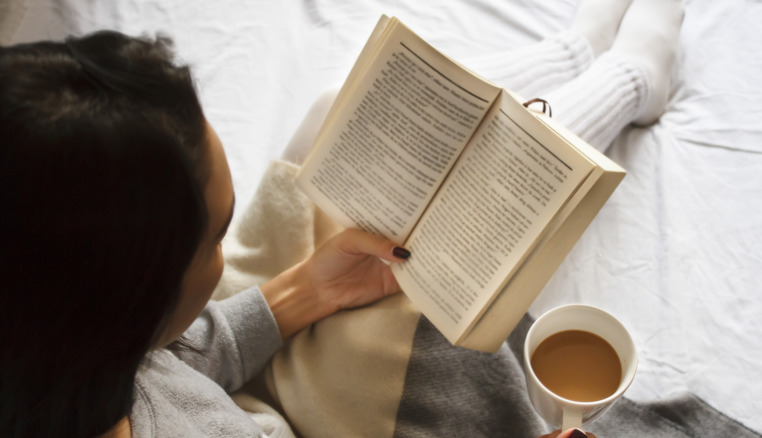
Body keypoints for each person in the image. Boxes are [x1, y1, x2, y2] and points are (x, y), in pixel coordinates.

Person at [0, 0, 682, 436]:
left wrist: (309, 289)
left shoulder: (53, 355)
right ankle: (624, 81)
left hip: (256, 366)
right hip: (303, 417)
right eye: (214, 237)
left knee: (340, 114)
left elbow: (173, 364)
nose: (221, 248)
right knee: (442, 256)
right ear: (124, 316)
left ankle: (572, 59)